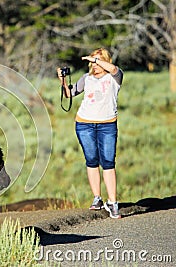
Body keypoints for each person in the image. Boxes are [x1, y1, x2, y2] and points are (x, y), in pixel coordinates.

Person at [57, 48, 124, 219]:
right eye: (92, 61)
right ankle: (97, 198)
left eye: (98, 60)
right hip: (84, 124)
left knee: (108, 162)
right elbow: (69, 94)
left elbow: (114, 69)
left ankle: (113, 202)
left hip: (107, 125)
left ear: (105, 61)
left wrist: (95, 60)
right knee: (92, 160)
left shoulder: (114, 77)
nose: (94, 64)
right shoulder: (86, 79)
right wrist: (63, 81)